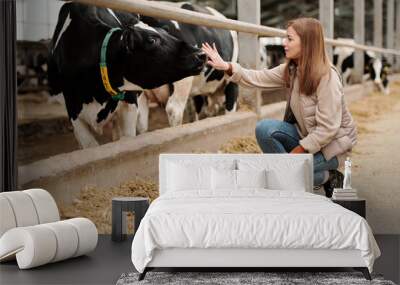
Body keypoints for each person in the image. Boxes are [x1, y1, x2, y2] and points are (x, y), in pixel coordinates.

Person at [201, 17, 357, 197]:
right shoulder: (292, 70)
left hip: (333, 147)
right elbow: (257, 77)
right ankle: (303, 179)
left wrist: (293, 157)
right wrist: (226, 66)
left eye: (290, 39)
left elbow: (328, 129)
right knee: (264, 129)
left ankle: (327, 176)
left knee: (282, 174)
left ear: (306, 43)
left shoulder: (326, 77)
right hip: (306, 136)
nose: (284, 43)